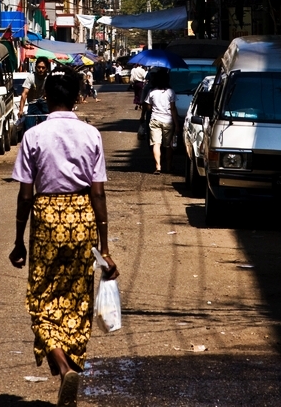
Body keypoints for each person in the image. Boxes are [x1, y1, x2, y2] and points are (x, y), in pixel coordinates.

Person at [9, 67, 118, 407]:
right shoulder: (91, 135)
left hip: (47, 219)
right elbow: (98, 193)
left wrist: (18, 239)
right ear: (76, 98)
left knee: (40, 299)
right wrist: (104, 247)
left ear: (46, 97)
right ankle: (71, 363)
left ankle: (61, 365)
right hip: (83, 218)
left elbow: (26, 196)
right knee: (76, 298)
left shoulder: (34, 136)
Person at [145, 68, 178, 175]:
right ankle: (168, 166)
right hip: (168, 120)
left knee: (156, 144)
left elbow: (148, 107)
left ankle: (158, 166)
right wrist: (176, 124)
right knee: (168, 145)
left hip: (155, 119)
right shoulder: (170, 92)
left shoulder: (152, 92)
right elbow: (173, 109)